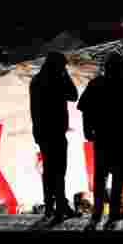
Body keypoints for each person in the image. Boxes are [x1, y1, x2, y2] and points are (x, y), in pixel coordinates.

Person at [77, 52, 123, 228]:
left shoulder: (96, 85)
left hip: (103, 138)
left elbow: (85, 110)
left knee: (101, 177)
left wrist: (87, 130)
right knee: (117, 177)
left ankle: (98, 211)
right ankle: (114, 211)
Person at [29, 51, 80, 223]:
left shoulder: (36, 81)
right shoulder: (58, 79)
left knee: (49, 170)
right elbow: (74, 95)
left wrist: (36, 132)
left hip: (42, 132)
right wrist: (65, 75)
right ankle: (60, 208)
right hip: (56, 132)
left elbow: (34, 109)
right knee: (58, 170)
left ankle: (51, 206)